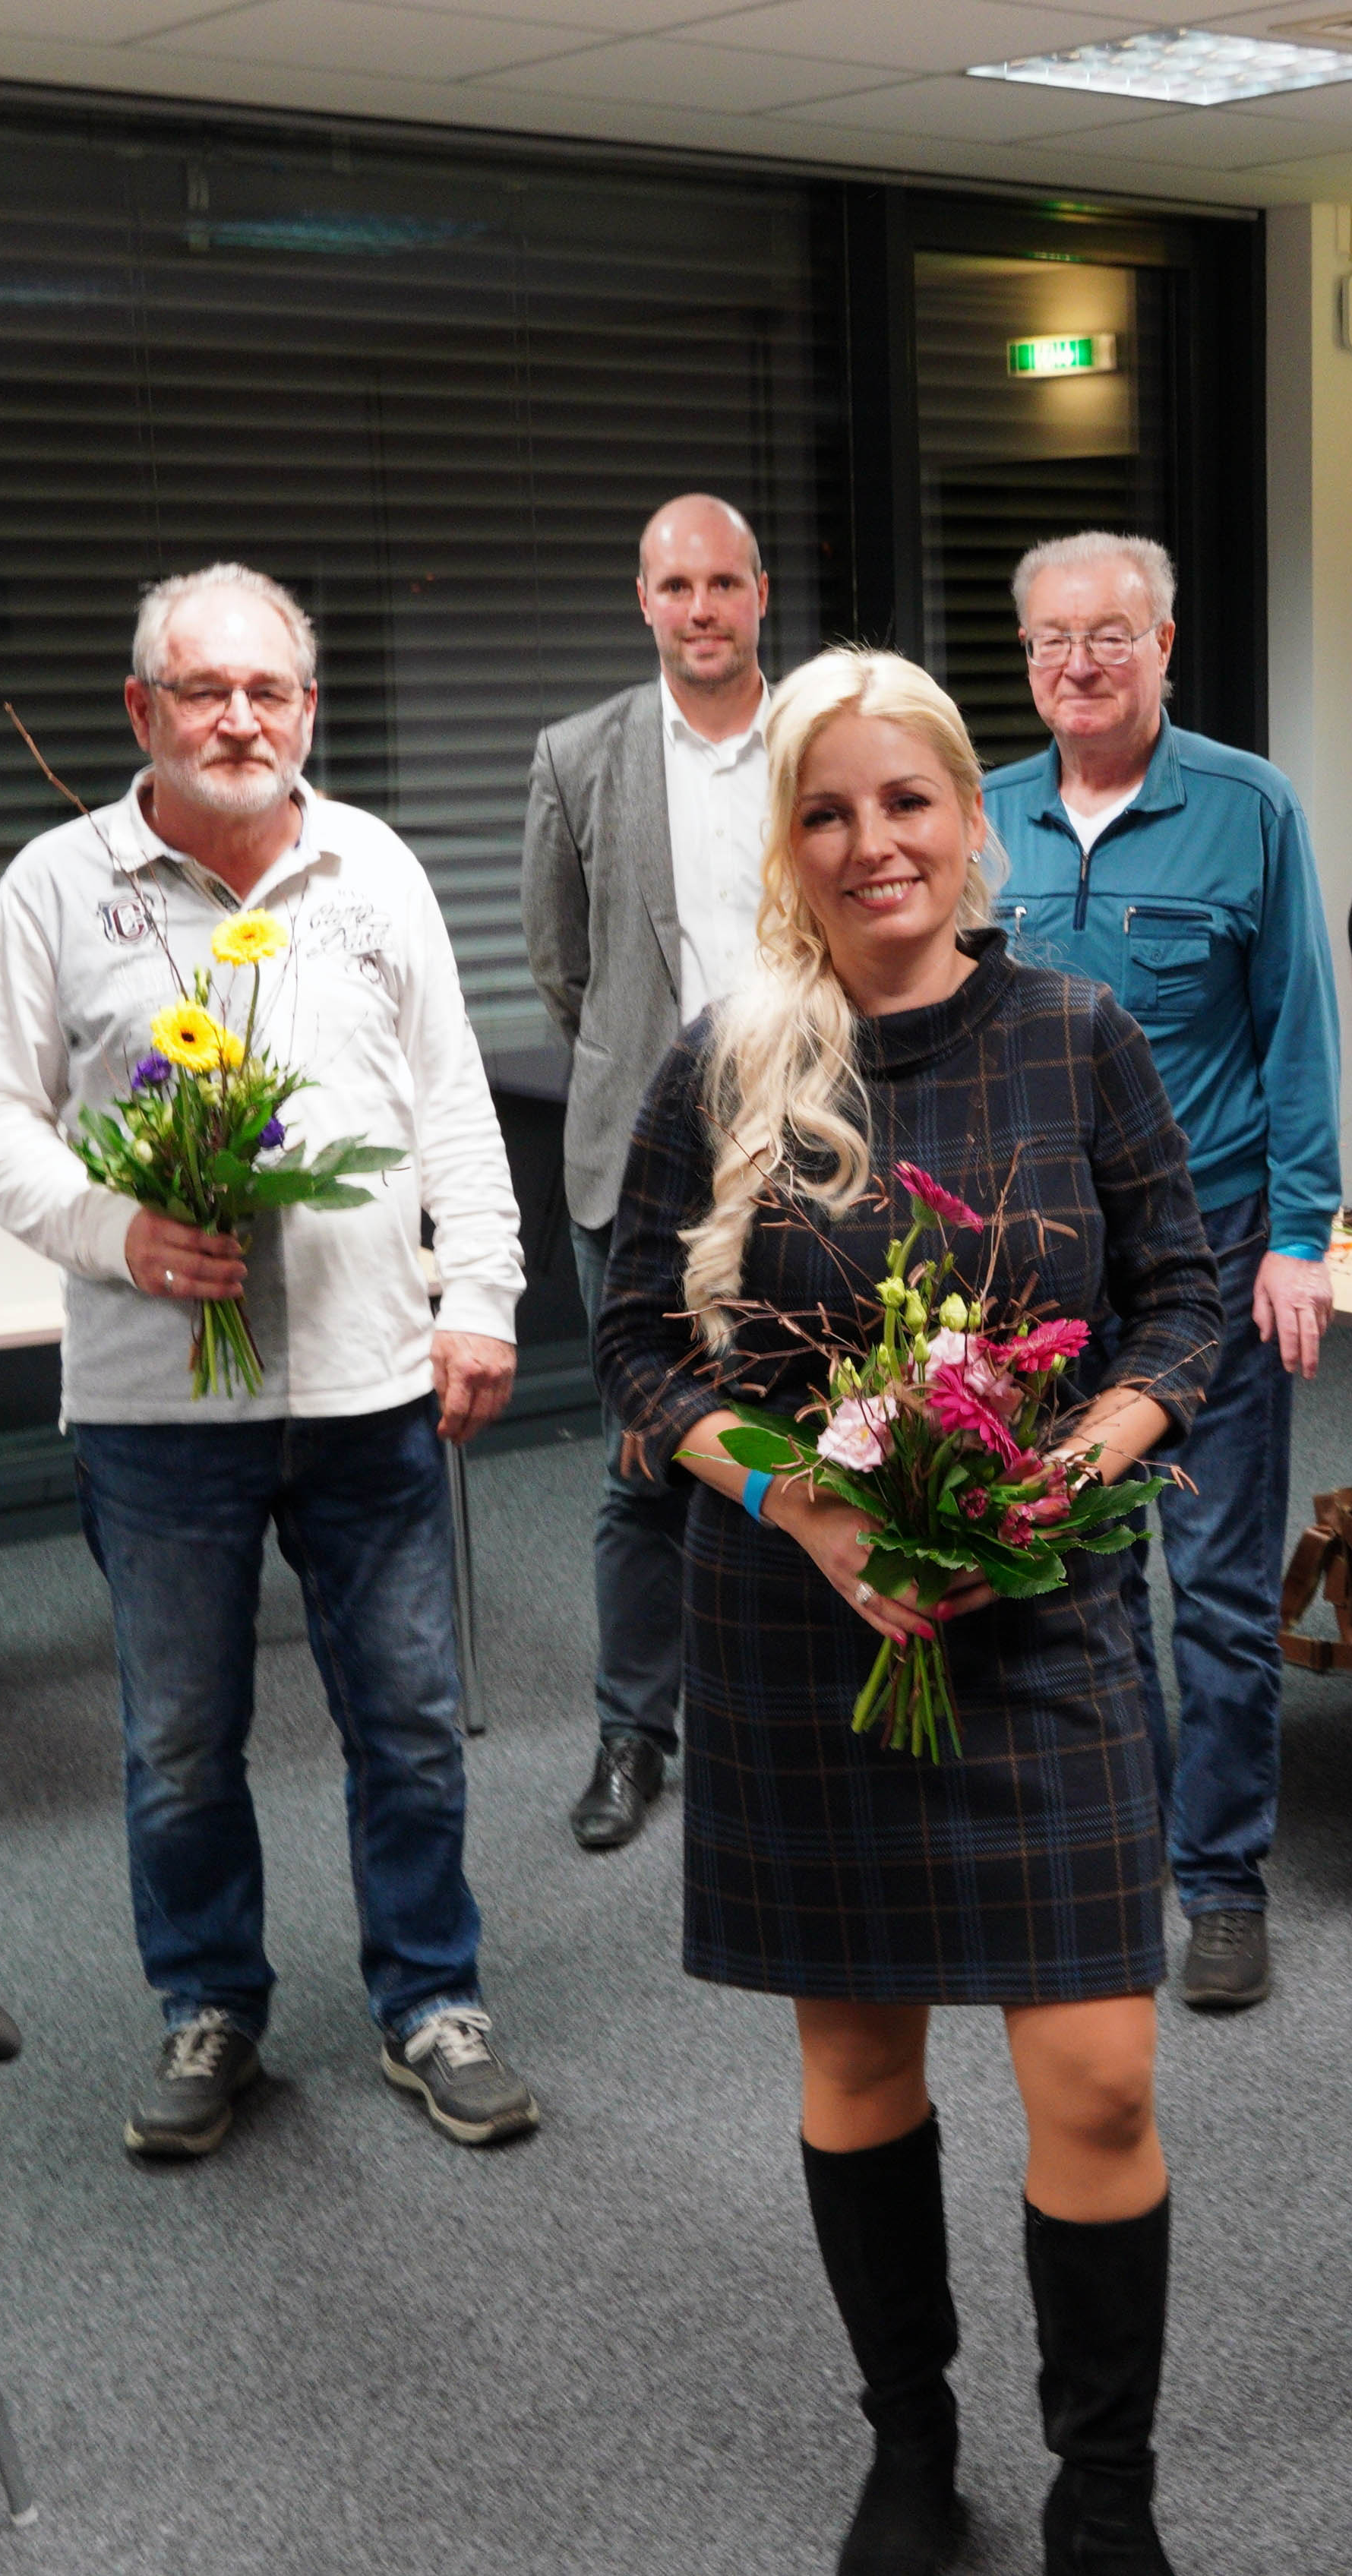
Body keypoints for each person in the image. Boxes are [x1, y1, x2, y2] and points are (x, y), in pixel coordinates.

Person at [590, 647, 1235, 2576]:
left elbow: (1181, 1312)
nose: (872, 844)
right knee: (861, 2070)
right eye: (826, 811)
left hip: (1041, 1617)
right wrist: (806, 1500)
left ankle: (1104, 2504)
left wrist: (1080, 1459)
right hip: (805, 1624)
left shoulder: (1076, 1035)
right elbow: (633, 1346)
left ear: (974, 820)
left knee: (1101, 2075)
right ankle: (914, 2447)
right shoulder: (733, 1056)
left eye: (908, 804)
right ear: (787, 843)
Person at [0, 561, 537, 2162]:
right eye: (203, 690)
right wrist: (112, 1230)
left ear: (306, 710)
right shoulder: (62, 886)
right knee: (178, 1736)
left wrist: (478, 1293)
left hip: (370, 1386)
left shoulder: (374, 867)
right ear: (142, 708)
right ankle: (209, 2005)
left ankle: (433, 2000)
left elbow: (449, 1106)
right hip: (161, 1412)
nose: (237, 718)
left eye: (267, 690)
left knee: (411, 1717)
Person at [984, 533, 1341, 2013]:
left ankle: (1220, 1879)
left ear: (1165, 643)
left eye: (1111, 635)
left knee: (1214, 1588)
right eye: (1055, 638)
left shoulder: (1248, 807)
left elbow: (1297, 1032)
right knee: (1071, 1578)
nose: (1082, 661)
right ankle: (1108, 1840)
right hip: (1035, 1278)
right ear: (1026, 659)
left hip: (1206, 1263)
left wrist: (1306, 1239)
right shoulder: (982, 815)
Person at [526, 494, 777, 1852]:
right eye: (675, 587)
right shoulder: (578, 755)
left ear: (759, 595)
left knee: (812, 1432)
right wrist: (658, 1084)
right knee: (646, 1463)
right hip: (641, 1159)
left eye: (723, 585)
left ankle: (785, 1718)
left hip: (812, 1143)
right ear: (644, 601)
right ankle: (636, 1735)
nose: (700, 610)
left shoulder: (822, 735)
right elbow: (563, 969)